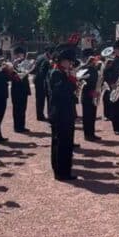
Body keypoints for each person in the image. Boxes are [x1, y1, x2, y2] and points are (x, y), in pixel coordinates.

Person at [48, 43, 79, 181]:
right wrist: (72, 80)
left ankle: (61, 169)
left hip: (65, 111)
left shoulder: (61, 72)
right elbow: (59, 92)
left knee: (63, 142)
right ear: (63, 61)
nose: (71, 64)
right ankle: (62, 172)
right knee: (63, 143)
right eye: (69, 61)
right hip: (61, 113)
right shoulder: (56, 73)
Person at [79, 48, 101, 139]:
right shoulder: (84, 68)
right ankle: (87, 134)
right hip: (87, 95)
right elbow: (81, 83)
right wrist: (92, 91)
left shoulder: (93, 68)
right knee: (87, 116)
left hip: (94, 94)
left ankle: (91, 133)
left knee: (92, 115)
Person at [10, 46, 31, 133]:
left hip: (24, 89)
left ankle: (22, 125)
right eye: (18, 54)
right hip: (16, 89)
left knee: (23, 108)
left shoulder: (25, 63)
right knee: (17, 109)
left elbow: (24, 75)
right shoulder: (11, 64)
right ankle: (17, 127)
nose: (20, 56)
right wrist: (15, 66)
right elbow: (13, 76)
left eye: (21, 54)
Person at [33, 46, 53, 121]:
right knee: (47, 98)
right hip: (43, 81)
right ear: (48, 52)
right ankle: (49, 115)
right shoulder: (46, 59)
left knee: (39, 99)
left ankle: (40, 115)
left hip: (38, 80)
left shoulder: (39, 56)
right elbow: (43, 72)